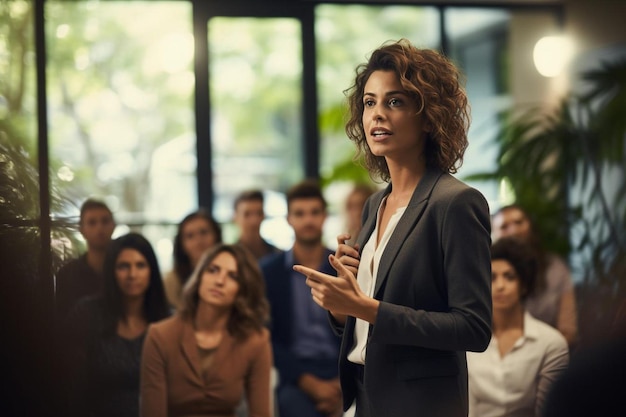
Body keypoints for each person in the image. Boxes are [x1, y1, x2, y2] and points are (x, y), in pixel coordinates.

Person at [293, 39, 492, 417]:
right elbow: (365, 321)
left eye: (394, 101)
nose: (377, 114)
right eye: (369, 102)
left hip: (423, 406)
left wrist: (367, 307)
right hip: (366, 397)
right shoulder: (375, 204)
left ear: (428, 114)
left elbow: (473, 328)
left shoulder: (456, 203)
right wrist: (342, 307)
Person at [140, 243, 273, 417]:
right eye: (213, 270)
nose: (219, 281)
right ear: (200, 276)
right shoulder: (160, 336)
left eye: (233, 276)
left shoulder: (256, 341)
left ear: (244, 289)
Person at [260, 180, 342, 417]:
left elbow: (360, 328)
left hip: (343, 369)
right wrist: (308, 383)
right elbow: (267, 336)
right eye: (300, 213)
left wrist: (338, 385)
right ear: (288, 219)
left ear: (325, 216)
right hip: (295, 374)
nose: (308, 220)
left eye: (315, 212)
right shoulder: (269, 272)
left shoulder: (343, 268)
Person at [65, 232, 170, 417]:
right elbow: (68, 385)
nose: (132, 274)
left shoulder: (167, 320)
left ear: (151, 270)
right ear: (111, 271)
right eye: (123, 266)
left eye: (140, 265)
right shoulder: (87, 313)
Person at [467, 237, 569, 417]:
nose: (500, 286)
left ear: (523, 285)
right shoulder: (469, 343)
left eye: (509, 277)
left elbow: (548, 411)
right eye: (492, 278)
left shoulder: (551, 343)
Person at [491, 204, 578, 346]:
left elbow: (568, 330)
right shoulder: (481, 270)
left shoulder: (556, 269)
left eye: (519, 222)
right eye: (504, 227)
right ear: (494, 234)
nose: (513, 230)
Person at [55, 198, 116, 321]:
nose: (99, 228)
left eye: (105, 221)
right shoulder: (67, 275)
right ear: (82, 230)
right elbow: (61, 324)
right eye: (92, 222)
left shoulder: (126, 269)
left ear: (113, 226)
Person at [163, 209, 222, 310]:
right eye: (190, 236)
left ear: (216, 235)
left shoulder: (231, 273)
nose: (198, 241)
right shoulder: (172, 280)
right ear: (181, 244)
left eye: (204, 232)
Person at [233, 189, 282, 260]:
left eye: (259, 213)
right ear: (235, 217)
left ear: (264, 216)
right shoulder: (229, 256)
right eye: (247, 214)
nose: (254, 221)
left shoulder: (277, 255)